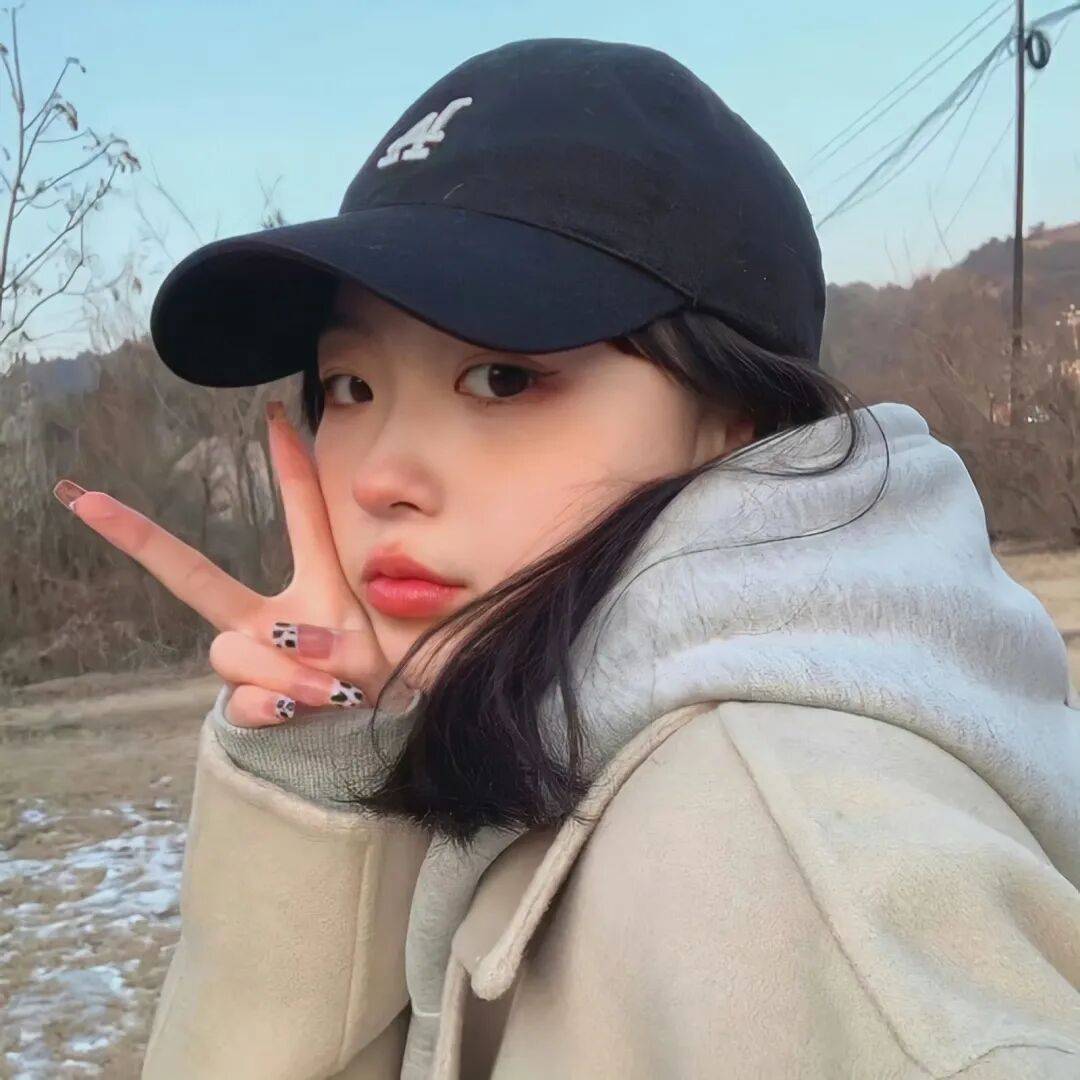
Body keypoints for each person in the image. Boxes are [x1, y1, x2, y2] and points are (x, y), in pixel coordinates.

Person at [53, 37, 1080, 1080]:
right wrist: (324, 788)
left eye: (501, 379)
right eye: (351, 387)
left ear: (735, 422)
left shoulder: (789, 856)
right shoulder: (525, 736)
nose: (379, 478)